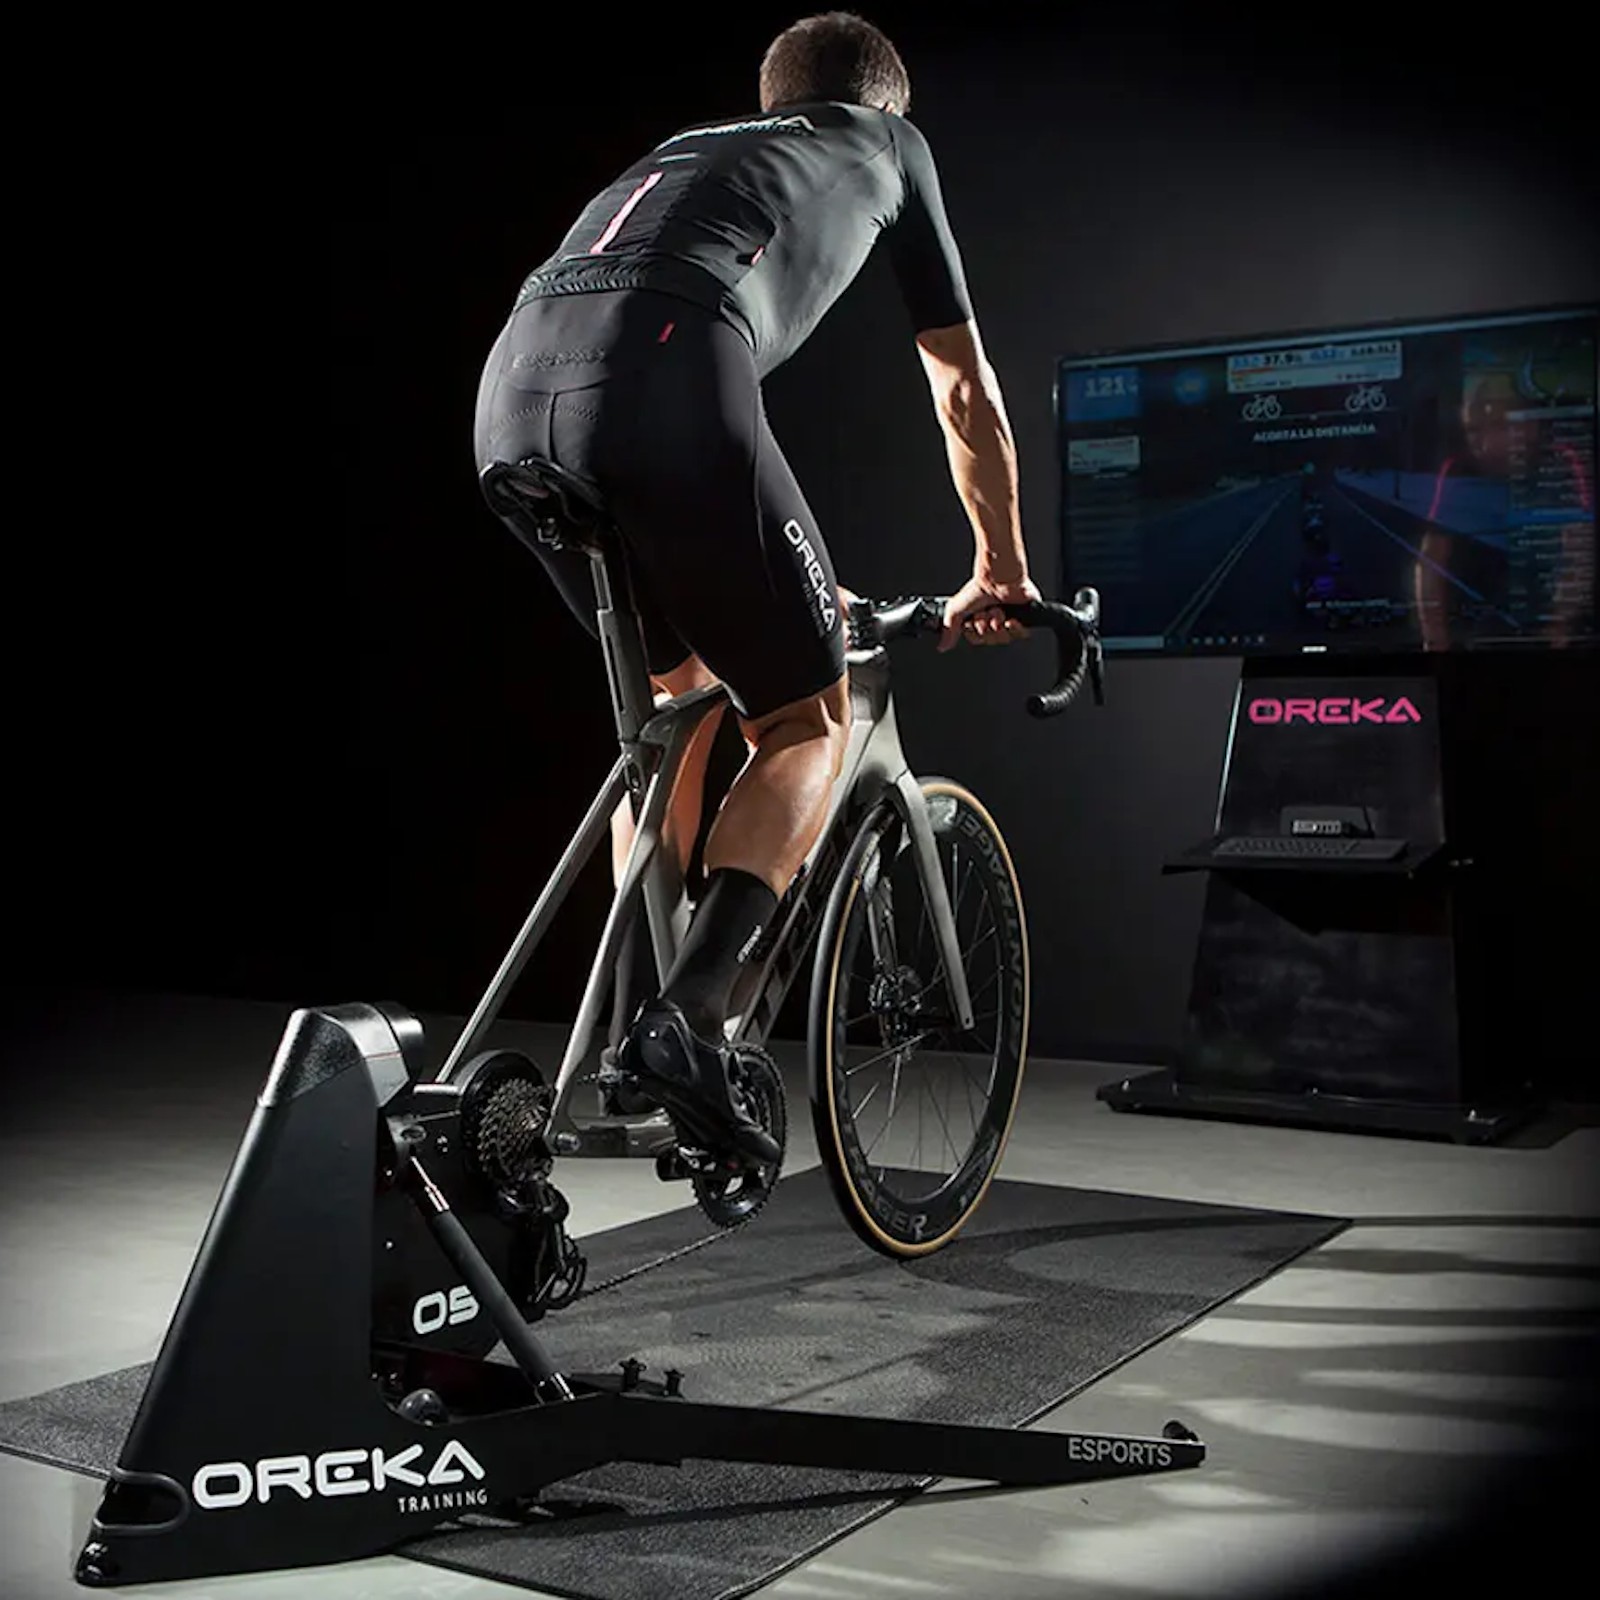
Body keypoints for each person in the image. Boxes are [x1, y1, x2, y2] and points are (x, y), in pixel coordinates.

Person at [473, 11, 1038, 1165]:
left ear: (775, 97)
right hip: (663, 367)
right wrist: (1002, 568)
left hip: (508, 394)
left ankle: (633, 1026)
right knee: (803, 718)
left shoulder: (695, 146)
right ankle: (685, 1020)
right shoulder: (889, 143)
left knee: (676, 706)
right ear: (881, 103)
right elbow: (961, 389)